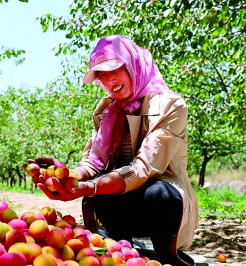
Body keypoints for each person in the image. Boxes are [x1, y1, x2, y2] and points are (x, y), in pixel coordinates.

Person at [33, 35, 199, 266]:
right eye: (102, 75)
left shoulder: (171, 106)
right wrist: (65, 176)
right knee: (100, 186)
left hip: (160, 206)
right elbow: (93, 164)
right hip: (124, 201)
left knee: (159, 193)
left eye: (115, 70)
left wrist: (90, 187)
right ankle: (121, 245)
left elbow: (144, 168)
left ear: (132, 65)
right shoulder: (107, 109)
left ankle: (166, 250)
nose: (110, 81)